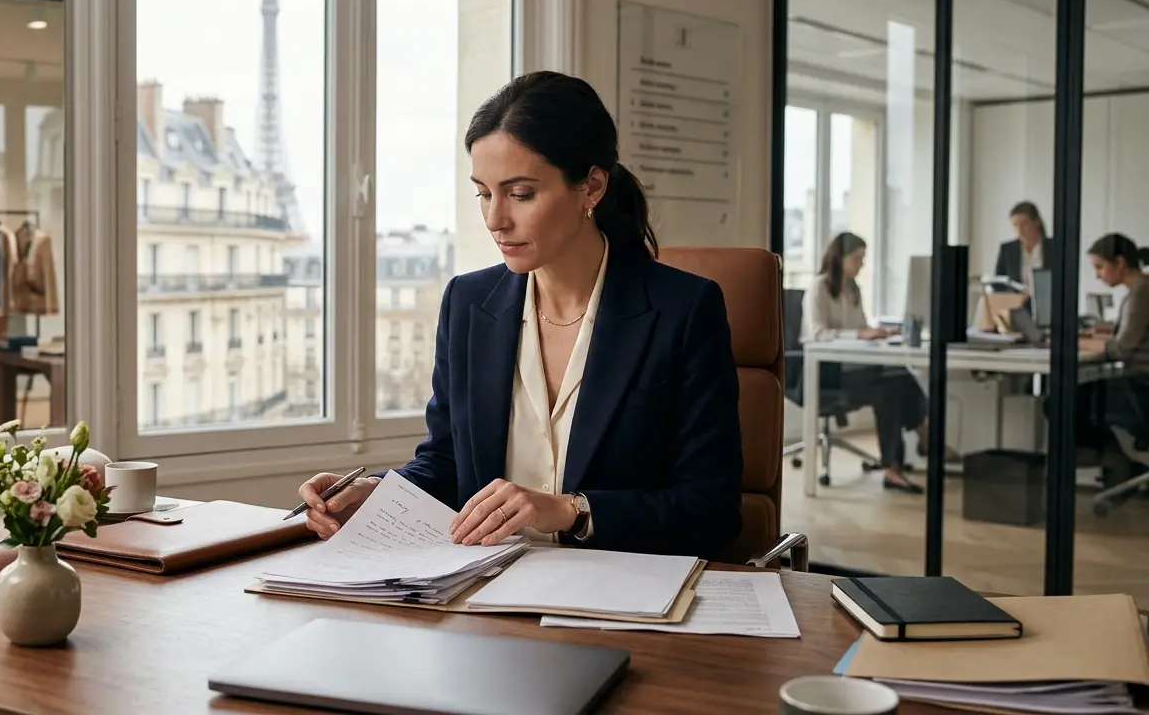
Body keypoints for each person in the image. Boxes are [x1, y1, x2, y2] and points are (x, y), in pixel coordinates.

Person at [294, 71, 743, 559]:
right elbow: (446, 463)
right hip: (484, 593)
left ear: (591, 186)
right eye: (484, 193)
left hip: (621, 595)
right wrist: (376, 494)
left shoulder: (682, 310)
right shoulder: (468, 303)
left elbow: (711, 510)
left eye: (521, 194)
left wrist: (573, 511)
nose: (495, 219)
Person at [801, 232, 934, 493]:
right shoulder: (818, 288)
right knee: (891, 388)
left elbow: (860, 327)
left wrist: (879, 332)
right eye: (857, 258)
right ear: (839, 259)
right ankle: (915, 446)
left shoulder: (853, 289)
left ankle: (904, 456)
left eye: (863, 258)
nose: (862, 264)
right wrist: (859, 334)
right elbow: (816, 333)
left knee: (900, 374)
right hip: (830, 373)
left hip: (856, 368)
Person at [1070, 234, 1149, 453]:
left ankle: (1113, 464)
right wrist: (1099, 333)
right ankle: (1119, 465)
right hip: (1140, 382)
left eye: (1099, 267)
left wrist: (1073, 342)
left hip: (1141, 386)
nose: (1097, 275)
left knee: (1064, 403)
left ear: (1120, 263)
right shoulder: (1140, 288)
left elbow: (1120, 349)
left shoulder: (1141, 293)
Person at [994, 201, 1054, 292]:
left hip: (1047, 302)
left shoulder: (1053, 247)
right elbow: (998, 285)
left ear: (1036, 223)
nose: (1020, 230)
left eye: (1024, 224)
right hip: (1015, 304)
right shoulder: (1007, 250)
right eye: (1015, 225)